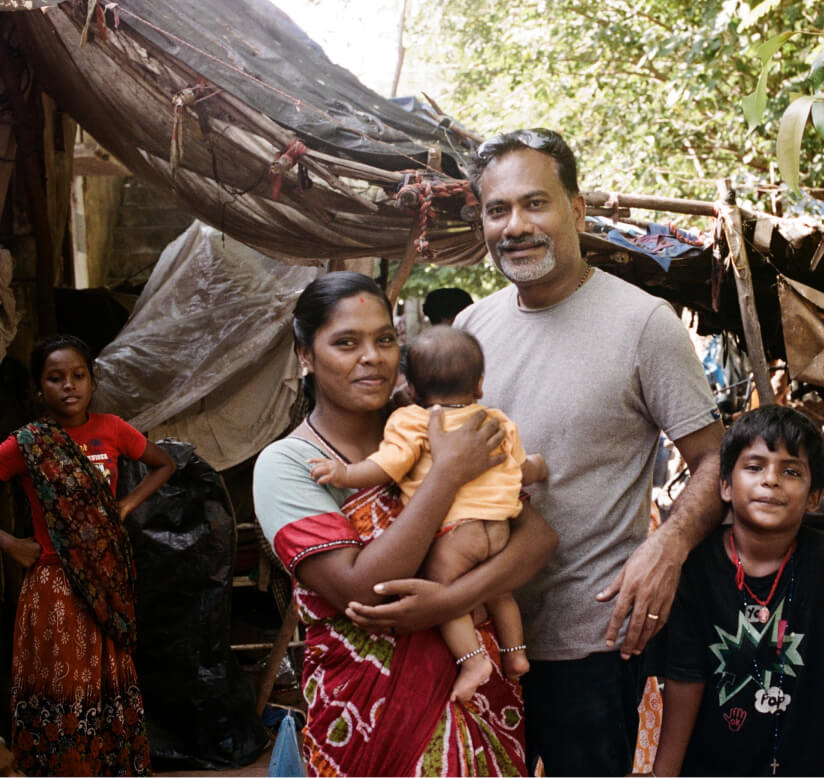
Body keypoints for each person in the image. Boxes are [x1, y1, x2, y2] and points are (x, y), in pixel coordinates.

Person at [354, 127, 724, 776]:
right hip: (474, 635)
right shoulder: (471, 329)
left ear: (576, 210)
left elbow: (716, 461)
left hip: (591, 638)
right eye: (498, 210)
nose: (515, 226)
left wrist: (667, 548)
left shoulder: (643, 324)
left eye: (536, 203)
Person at [252, 272, 557, 776]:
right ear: (305, 356)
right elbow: (364, 590)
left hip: (475, 687)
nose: (372, 356)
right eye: (346, 342)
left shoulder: (441, 421)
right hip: (367, 710)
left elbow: (537, 537)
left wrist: (450, 600)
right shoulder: (288, 465)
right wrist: (448, 474)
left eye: (385, 339)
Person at [307, 325, 547, 703]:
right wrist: (540, 467)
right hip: (500, 528)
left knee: (443, 593)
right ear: (479, 385)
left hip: (456, 532)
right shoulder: (495, 420)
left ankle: (473, 662)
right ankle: (516, 655)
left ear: (412, 390)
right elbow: (519, 469)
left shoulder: (412, 420)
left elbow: (388, 466)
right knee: (500, 590)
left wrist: (345, 473)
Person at [652, 405, 824, 776]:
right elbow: (685, 681)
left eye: (791, 471)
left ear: (814, 496)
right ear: (725, 486)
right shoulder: (697, 564)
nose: (771, 480)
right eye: (754, 466)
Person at [0, 334, 176, 776]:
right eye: (55, 378)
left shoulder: (113, 429)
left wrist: (126, 505)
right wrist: (12, 544)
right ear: (40, 388)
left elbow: (165, 463)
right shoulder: (27, 443)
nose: (69, 386)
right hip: (55, 586)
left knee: (106, 686)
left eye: (78, 376)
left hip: (107, 581)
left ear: (92, 382)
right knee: (67, 690)